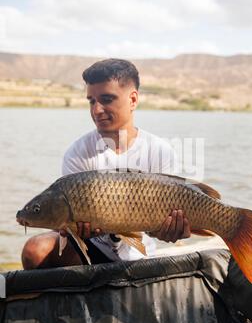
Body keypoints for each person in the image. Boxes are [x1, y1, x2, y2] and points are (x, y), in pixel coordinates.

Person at [21, 59, 191, 270]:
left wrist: (171, 230)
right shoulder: (78, 152)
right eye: (91, 101)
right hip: (92, 250)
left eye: (107, 99)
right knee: (34, 250)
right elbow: (69, 227)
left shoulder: (160, 150)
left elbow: (166, 226)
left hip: (140, 253)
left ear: (133, 100)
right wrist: (72, 229)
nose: (97, 110)